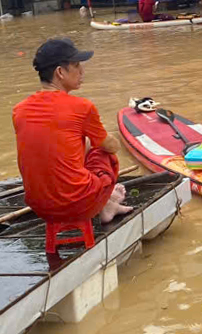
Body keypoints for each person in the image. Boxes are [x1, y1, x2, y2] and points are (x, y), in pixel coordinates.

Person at [13, 37, 132, 227]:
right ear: (60, 72)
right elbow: (112, 146)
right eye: (76, 65)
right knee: (104, 152)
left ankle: (106, 203)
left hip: (39, 206)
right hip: (77, 204)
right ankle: (104, 204)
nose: (82, 71)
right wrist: (110, 139)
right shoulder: (82, 107)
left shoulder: (19, 109)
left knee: (74, 145)